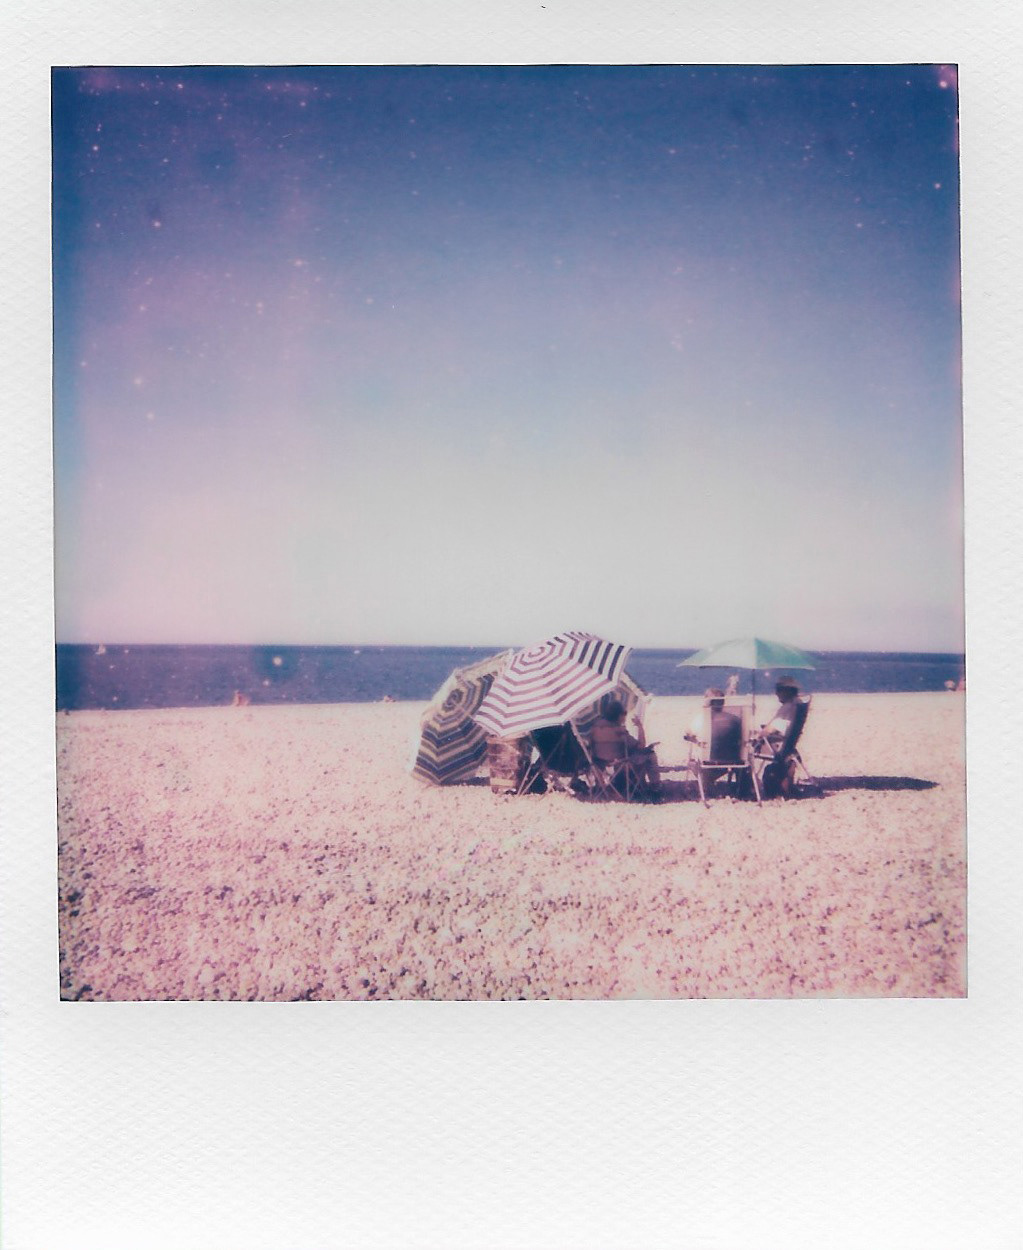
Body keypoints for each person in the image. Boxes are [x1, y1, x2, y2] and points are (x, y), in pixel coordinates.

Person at [590, 699, 662, 797]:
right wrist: (640, 726)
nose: (625, 716)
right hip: (619, 762)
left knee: (637, 755)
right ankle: (655, 787)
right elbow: (641, 745)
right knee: (650, 755)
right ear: (619, 715)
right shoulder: (619, 730)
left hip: (600, 762)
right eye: (624, 713)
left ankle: (640, 785)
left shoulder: (595, 728)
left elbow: (591, 746)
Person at [684, 689, 747, 797]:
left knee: (692, 761)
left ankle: (705, 785)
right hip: (735, 761)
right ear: (723, 702)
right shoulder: (736, 720)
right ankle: (742, 789)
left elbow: (688, 733)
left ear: (707, 702)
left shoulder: (701, 719)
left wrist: (692, 739)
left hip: (708, 762)